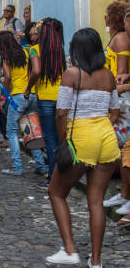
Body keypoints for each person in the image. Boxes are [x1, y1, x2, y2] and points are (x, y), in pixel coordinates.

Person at [46, 28, 120, 267]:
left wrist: (63, 142)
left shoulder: (72, 74)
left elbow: (60, 113)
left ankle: (69, 250)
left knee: (56, 193)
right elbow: (116, 111)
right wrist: (101, 128)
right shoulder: (109, 75)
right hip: (106, 138)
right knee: (96, 201)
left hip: (81, 138)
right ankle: (96, 261)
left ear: (75, 49)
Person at [0, 31, 48, 177]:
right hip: (32, 94)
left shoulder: (5, 56)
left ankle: (16, 166)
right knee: (31, 132)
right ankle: (41, 166)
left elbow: (9, 76)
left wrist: (3, 97)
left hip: (17, 96)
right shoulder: (27, 50)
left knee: (11, 132)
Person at [26, 19, 66, 190]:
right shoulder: (59, 50)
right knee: (61, 138)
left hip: (46, 98)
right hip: (63, 97)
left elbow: (36, 70)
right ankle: (64, 176)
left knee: (50, 139)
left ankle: (52, 179)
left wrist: (28, 88)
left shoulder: (35, 49)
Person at [104, 7, 130, 218]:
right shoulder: (119, 36)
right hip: (115, 94)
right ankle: (124, 193)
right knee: (122, 148)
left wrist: (116, 89)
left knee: (121, 145)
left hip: (121, 99)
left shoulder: (121, 38)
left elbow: (120, 74)